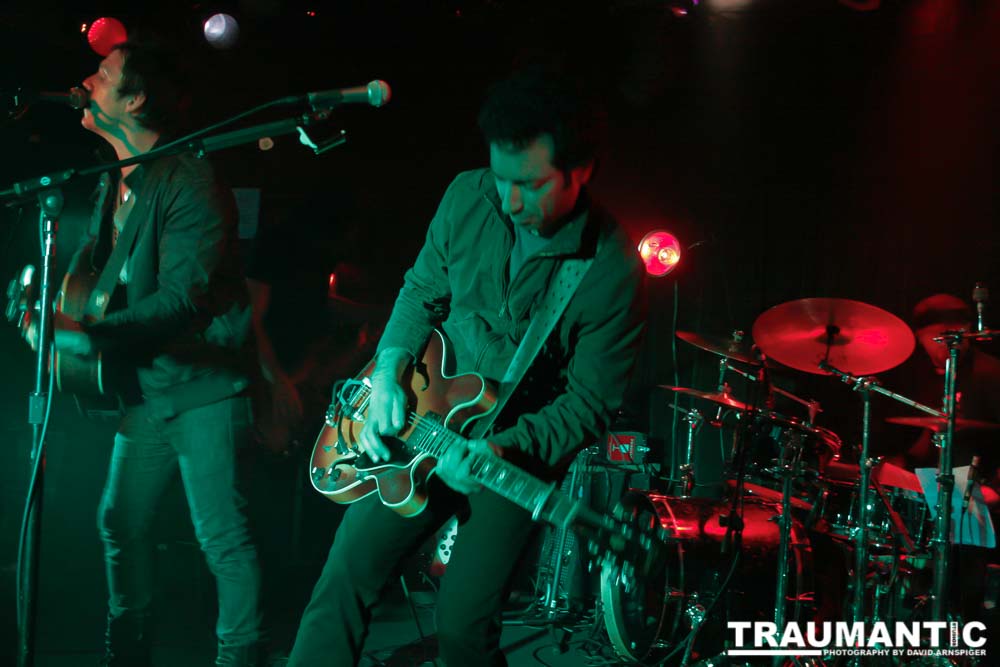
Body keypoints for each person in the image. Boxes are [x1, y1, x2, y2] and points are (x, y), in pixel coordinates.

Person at [286, 68, 646, 666]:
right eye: (501, 178)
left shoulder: (611, 269)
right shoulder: (466, 196)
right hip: (420, 413)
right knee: (345, 576)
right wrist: (388, 373)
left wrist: (500, 448)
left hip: (509, 454)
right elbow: (421, 291)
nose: (510, 201)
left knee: (462, 629)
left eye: (531, 184)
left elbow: (588, 404)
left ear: (581, 170)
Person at [59, 41, 261, 665]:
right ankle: (127, 650)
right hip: (150, 387)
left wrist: (92, 334)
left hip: (203, 385)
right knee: (119, 521)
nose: (88, 80)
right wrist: (54, 312)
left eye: (104, 74)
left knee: (221, 538)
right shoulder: (113, 181)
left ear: (136, 99)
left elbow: (181, 300)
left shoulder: (189, 177)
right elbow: (96, 280)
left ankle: (239, 656)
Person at [892, 294, 1000, 508]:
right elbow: (927, 438)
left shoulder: (991, 373)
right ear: (919, 336)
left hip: (980, 489)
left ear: (968, 332)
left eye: (957, 337)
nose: (949, 346)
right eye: (940, 337)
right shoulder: (920, 375)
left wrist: (997, 490)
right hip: (933, 486)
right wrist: (900, 463)